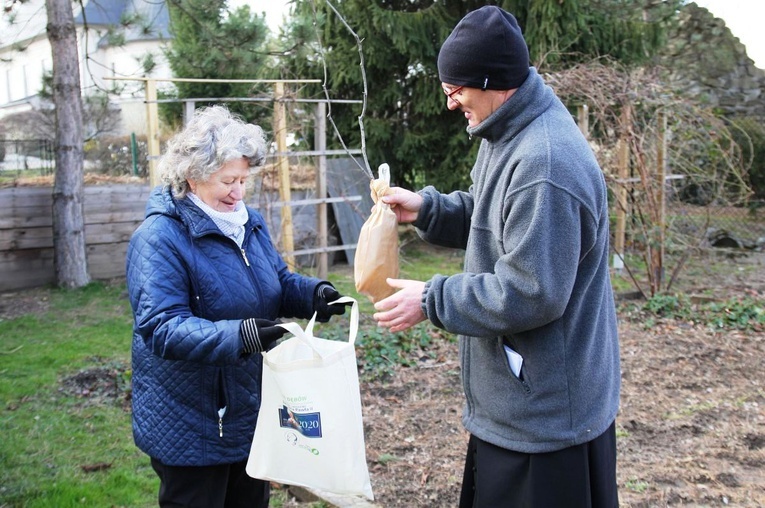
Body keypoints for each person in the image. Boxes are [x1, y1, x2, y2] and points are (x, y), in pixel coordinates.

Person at [372, 6, 620, 507]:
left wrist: (432, 298)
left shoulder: (544, 162)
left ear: (493, 81)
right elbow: (494, 215)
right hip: (517, 406)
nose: (450, 103)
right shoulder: (509, 131)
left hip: (547, 423)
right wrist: (427, 209)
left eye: (455, 89)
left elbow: (532, 289)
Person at [126, 105, 348, 508]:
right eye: (228, 180)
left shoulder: (248, 221)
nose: (239, 192)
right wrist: (238, 335)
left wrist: (314, 295)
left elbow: (276, 283)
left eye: (244, 179)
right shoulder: (159, 238)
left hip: (248, 411)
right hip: (190, 421)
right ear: (193, 177)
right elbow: (161, 326)